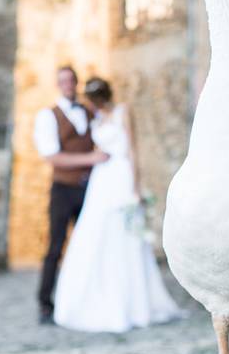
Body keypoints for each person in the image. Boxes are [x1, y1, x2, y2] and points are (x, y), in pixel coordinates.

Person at [52, 77, 182, 333]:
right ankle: (95, 299)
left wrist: (135, 186)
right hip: (101, 180)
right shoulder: (97, 117)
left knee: (125, 236)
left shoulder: (124, 111)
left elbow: (132, 150)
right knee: (96, 234)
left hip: (121, 175)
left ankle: (133, 303)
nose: (96, 105)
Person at [34, 65, 110, 324]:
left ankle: (85, 300)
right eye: (63, 81)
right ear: (58, 84)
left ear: (76, 83)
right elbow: (52, 156)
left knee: (88, 246)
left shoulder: (89, 112)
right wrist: (90, 158)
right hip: (63, 190)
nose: (68, 85)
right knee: (55, 247)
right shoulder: (48, 116)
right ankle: (45, 304)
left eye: (71, 80)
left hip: (90, 189)